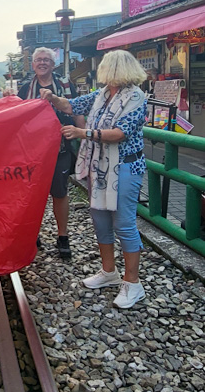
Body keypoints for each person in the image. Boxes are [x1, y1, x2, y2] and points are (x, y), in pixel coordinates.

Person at [40, 49, 147, 308]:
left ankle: (133, 283)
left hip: (125, 166)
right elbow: (71, 105)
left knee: (124, 224)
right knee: (100, 220)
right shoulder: (102, 94)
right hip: (100, 166)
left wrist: (83, 133)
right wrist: (52, 97)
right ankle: (108, 271)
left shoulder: (135, 97)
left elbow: (120, 133)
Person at [18, 47, 78, 259]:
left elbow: (76, 110)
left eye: (46, 60)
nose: (42, 63)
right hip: (32, 150)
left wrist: (83, 137)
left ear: (53, 65)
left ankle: (63, 236)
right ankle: (32, 232)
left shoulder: (65, 85)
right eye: (38, 60)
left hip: (60, 147)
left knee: (60, 192)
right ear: (33, 64)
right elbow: (15, 117)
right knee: (33, 193)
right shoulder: (25, 88)